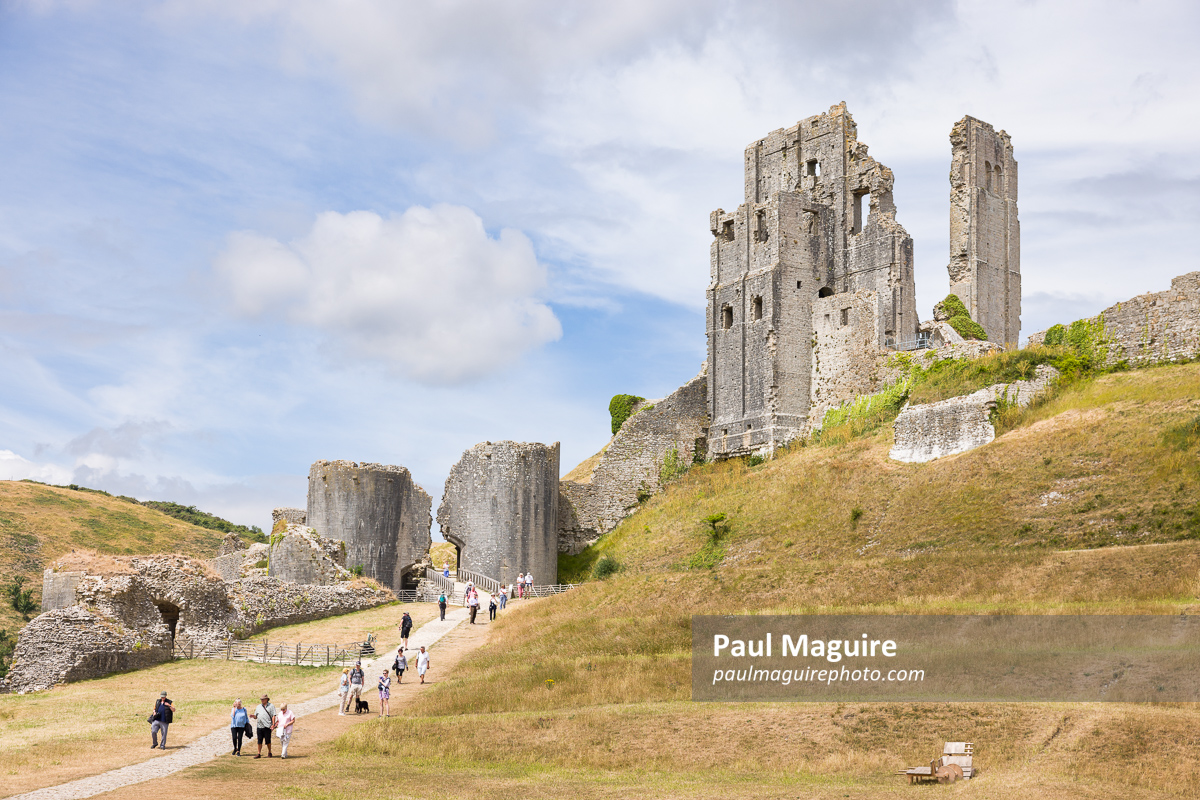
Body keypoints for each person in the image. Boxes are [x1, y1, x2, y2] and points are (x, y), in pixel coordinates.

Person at [253, 694, 277, 758]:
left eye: (263, 699)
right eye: (261, 699)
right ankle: (258, 753)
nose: (262, 700)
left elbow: (273, 715)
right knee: (259, 740)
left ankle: (269, 752)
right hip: (259, 726)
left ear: (266, 699)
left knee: (268, 740)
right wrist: (253, 716)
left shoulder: (271, 706)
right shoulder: (258, 707)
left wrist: (273, 724)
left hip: (267, 725)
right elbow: (256, 716)